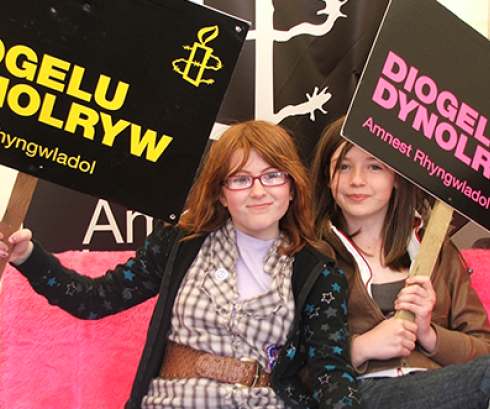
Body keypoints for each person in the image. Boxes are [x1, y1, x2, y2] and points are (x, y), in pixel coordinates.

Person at [0, 120, 359, 409]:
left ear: (292, 187)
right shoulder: (180, 244)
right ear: (220, 191)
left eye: (272, 175)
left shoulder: (319, 274)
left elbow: (332, 374)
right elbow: (93, 300)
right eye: (240, 179)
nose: (258, 191)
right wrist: (28, 257)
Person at [310, 115, 490, 409]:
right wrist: (360, 347)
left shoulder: (438, 251)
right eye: (343, 166)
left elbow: (483, 350)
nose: (357, 180)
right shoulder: (312, 257)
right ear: (326, 178)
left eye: (374, 166)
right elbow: (290, 368)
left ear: (396, 177)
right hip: (360, 394)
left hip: (447, 389)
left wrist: (429, 336)